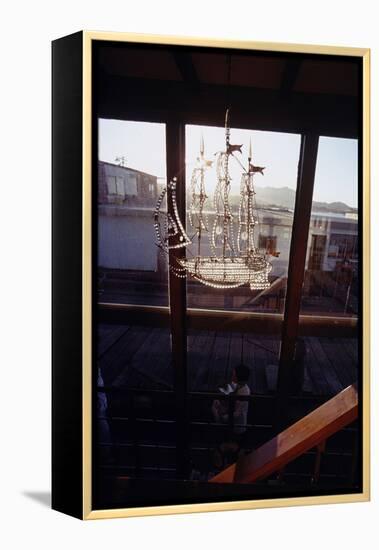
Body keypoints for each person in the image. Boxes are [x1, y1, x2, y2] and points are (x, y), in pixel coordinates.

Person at [211, 364, 251, 469]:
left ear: (238, 377)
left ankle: (227, 465)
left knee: (233, 448)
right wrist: (218, 400)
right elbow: (227, 390)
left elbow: (237, 413)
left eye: (234, 375)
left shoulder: (244, 392)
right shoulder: (239, 386)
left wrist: (222, 416)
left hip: (237, 427)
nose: (232, 376)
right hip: (232, 423)